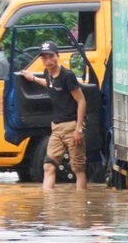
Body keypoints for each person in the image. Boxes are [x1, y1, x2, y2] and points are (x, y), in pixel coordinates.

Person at [18, 40, 88, 190]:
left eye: (51, 57)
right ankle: (49, 207)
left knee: (78, 169)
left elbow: (81, 101)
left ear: (58, 56)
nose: (48, 61)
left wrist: (79, 129)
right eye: (44, 58)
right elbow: (52, 86)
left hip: (71, 127)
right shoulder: (48, 74)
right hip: (56, 128)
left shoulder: (67, 76)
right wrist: (34, 79)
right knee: (48, 166)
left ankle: (80, 207)